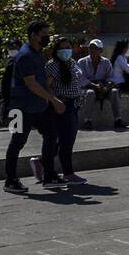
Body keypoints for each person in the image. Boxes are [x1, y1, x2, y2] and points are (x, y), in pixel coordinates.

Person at [3, 21, 65, 194]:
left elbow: (40, 82)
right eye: (44, 34)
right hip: (20, 108)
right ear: (33, 35)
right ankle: (10, 180)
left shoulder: (37, 53)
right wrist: (53, 100)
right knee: (17, 142)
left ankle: (49, 175)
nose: (47, 38)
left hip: (38, 106)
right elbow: (31, 84)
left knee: (52, 135)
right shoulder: (25, 56)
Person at [44, 37, 87, 184]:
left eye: (68, 47)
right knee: (66, 141)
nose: (66, 51)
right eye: (62, 48)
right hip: (62, 104)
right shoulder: (53, 65)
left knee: (67, 139)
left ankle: (41, 162)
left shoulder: (73, 63)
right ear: (57, 50)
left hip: (74, 104)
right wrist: (55, 101)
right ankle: (68, 173)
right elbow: (47, 86)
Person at [77, 38, 121, 129]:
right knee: (90, 93)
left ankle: (118, 119)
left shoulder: (106, 62)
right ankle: (87, 121)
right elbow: (81, 79)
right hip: (87, 87)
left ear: (101, 50)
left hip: (102, 87)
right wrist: (95, 86)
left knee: (114, 92)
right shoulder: (81, 62)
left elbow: (111, 77)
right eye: (90, 48)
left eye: (95, 48)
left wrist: (105, 87)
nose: (92, 50)